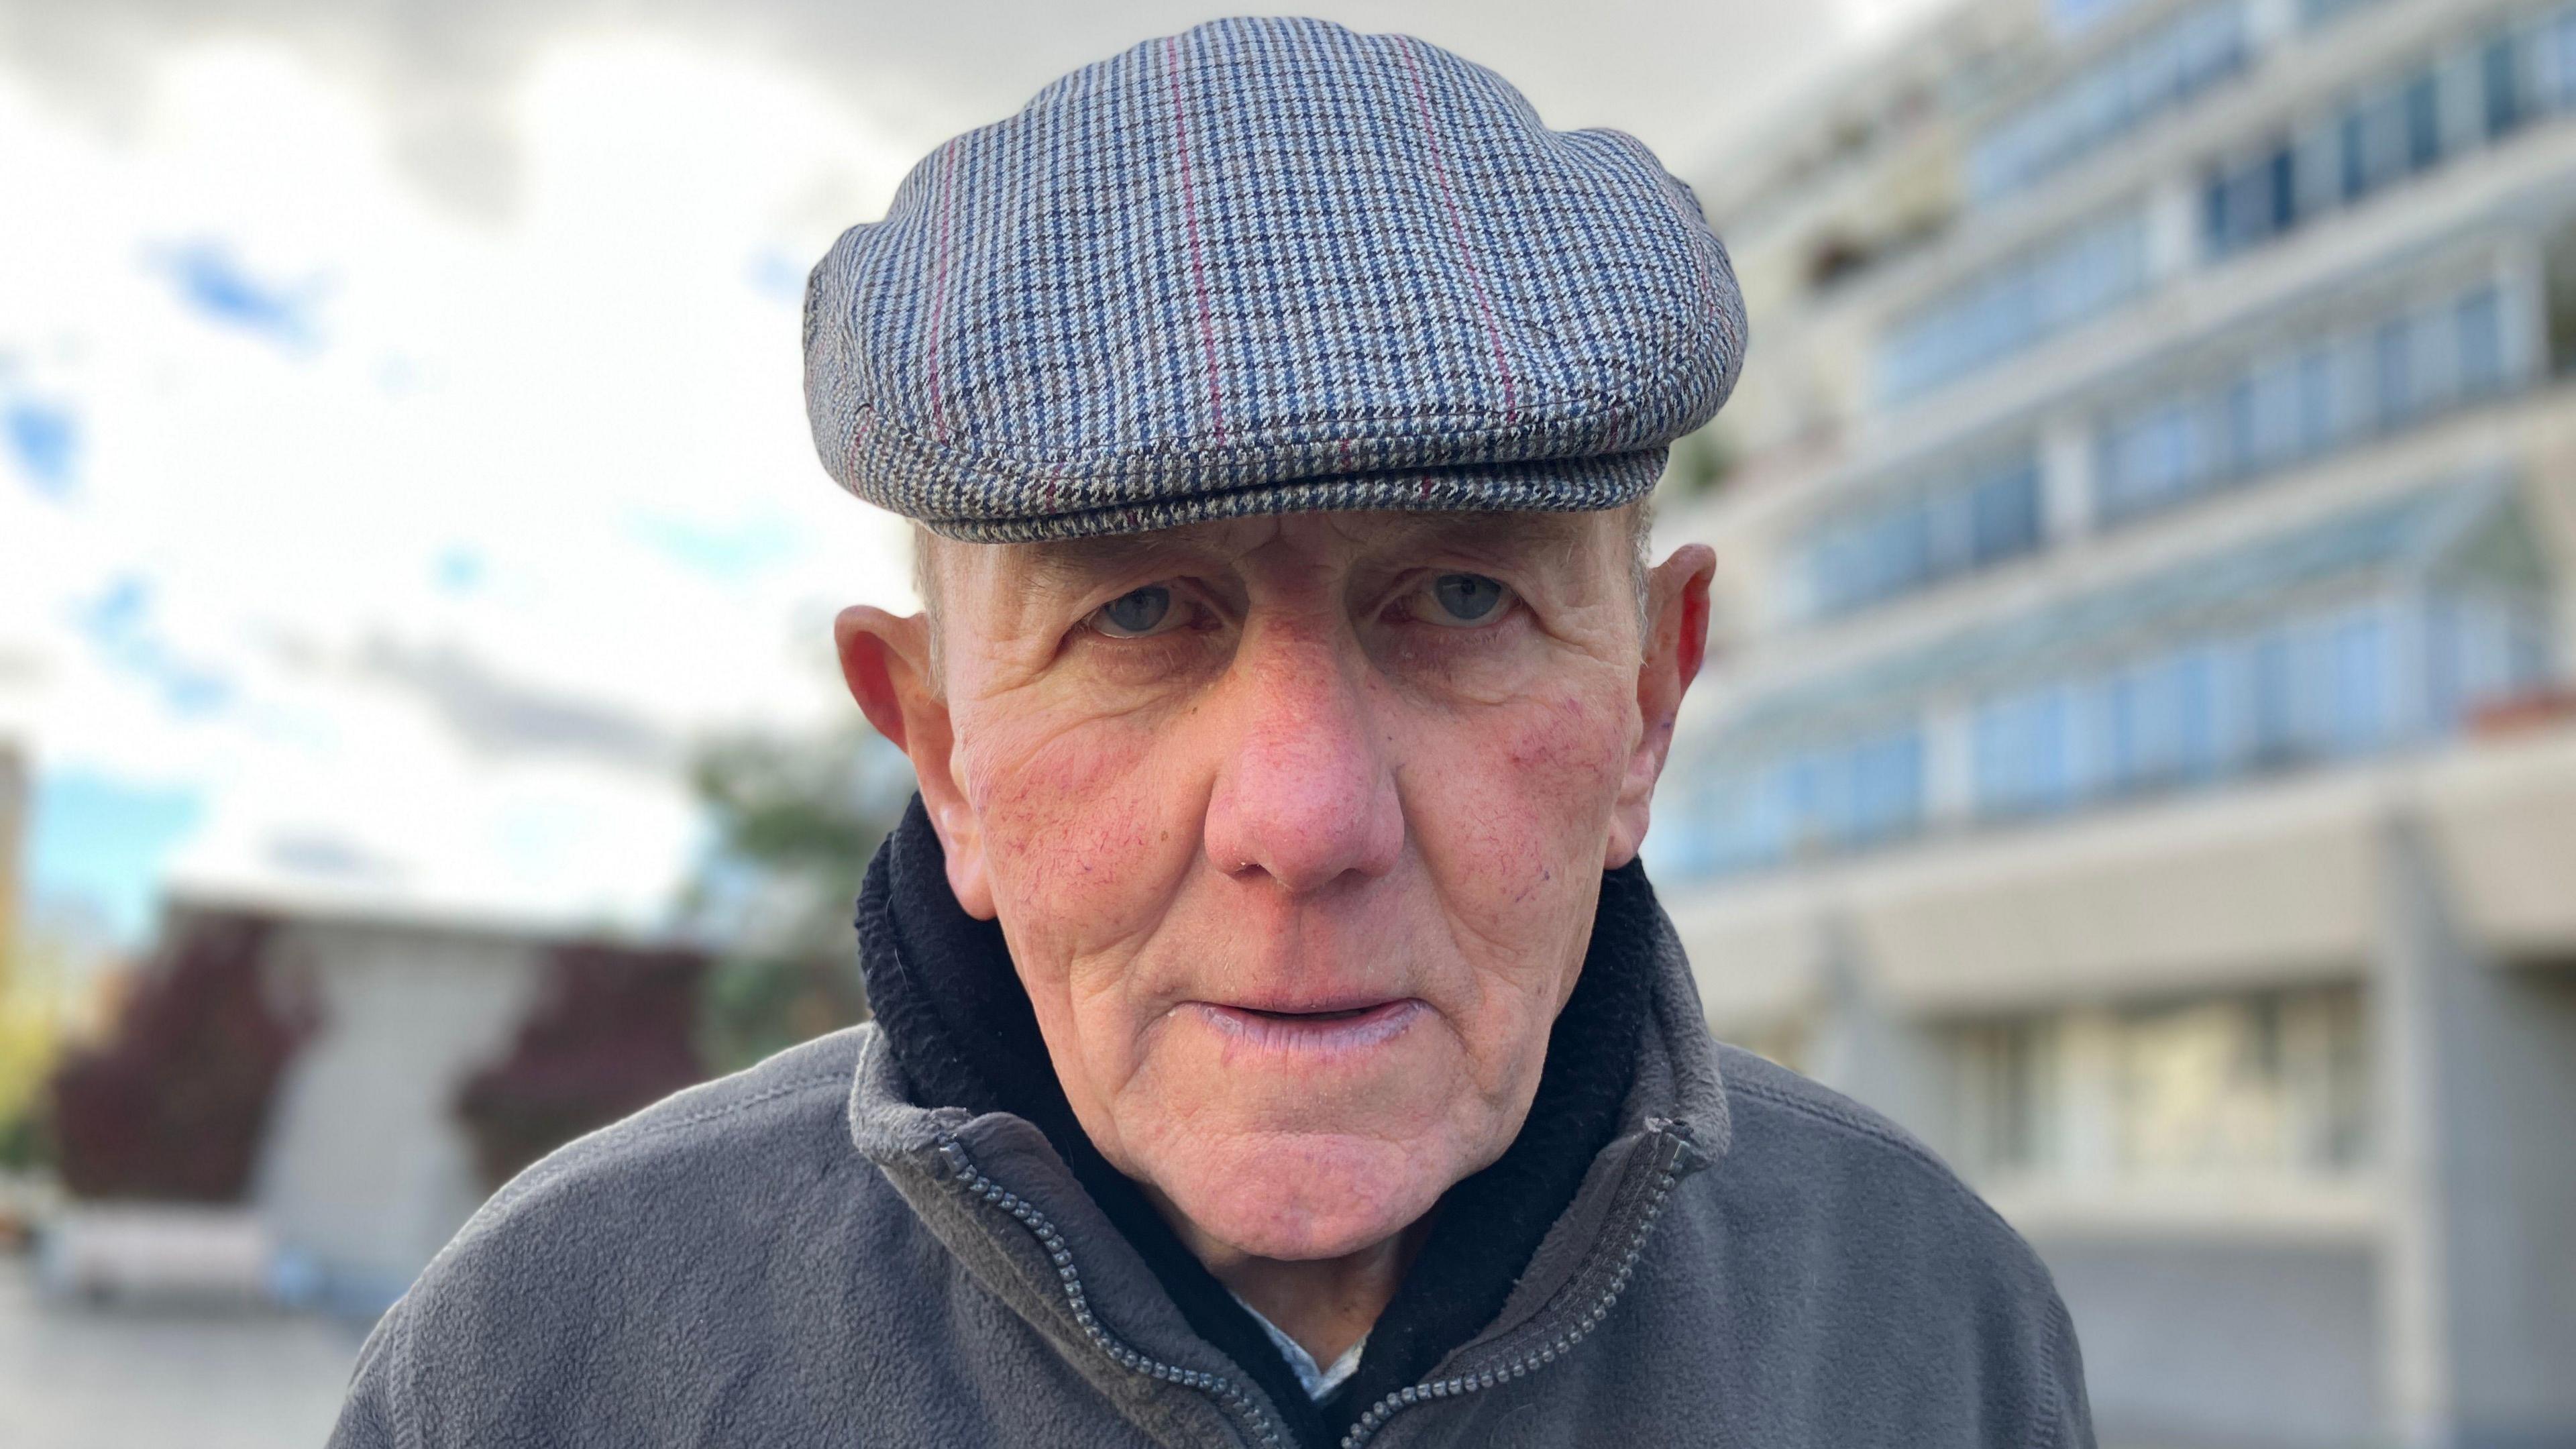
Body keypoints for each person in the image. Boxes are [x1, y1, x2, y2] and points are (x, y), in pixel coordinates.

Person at [330, 17, 2093, 1448]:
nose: (1306, 820)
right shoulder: (528, 1375)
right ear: (942, 751)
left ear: (1646, 700)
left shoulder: (1934, 1331)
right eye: (1141, 616)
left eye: (1464, 600)